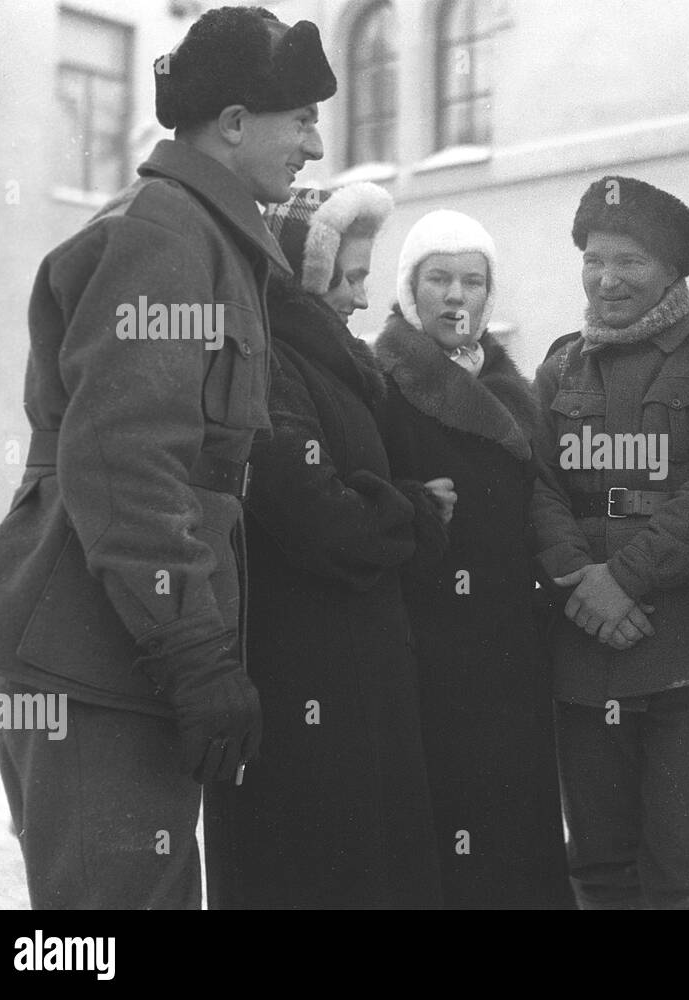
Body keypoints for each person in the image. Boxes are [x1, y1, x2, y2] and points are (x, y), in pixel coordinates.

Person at [0, 6, 335, 908]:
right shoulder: (166, 232)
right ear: (236, 123)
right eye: (301, 119)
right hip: (96, 654)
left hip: (113, 646)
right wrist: (195, 657)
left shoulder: (202, 229)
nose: (315, 146)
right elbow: (124, 461)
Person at [202, 184, 446, 908]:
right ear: (299, 278)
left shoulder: (325, 364)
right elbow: (314, 510)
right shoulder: (273, 364)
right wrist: (414, 509)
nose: (362, 300)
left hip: (344, 679)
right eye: (350, 278)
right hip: (306, 683)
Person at [531, 176, 689, 909]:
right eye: (594, 259)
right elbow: (534, 488)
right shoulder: (560, 364)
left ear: (671, 269)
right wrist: (576, 574)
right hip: (582, 655)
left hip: (686, 655)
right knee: (601, 869)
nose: (606, 278)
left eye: (628, 261)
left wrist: (622, 580)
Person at [373, 209, 573, 909]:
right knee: (454, 833)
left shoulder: (515, 389)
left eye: (472, 280)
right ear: (409, 290)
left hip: (511, 640)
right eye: (438, 279)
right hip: (429, 643)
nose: (456, 296)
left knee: (517, 828)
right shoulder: (382, 385)